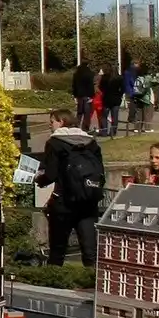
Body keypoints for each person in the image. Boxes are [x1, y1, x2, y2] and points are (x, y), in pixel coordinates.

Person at [37, 106, 104, 267]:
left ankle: (55, 284)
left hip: (63, 203)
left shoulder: (54, 143)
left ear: (61, 122)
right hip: (88, 202)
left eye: (52, 122)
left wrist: (39, 180)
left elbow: (51, 174)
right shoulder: (91, 142)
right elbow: (100, 172)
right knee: (90, 251)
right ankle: (91, 283)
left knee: (58, 250)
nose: (50, 126)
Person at [99, 64, 125, 139]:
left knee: (104, 116)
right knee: (115, 116)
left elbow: (101, 87)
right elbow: (123, 88)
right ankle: (113, 132)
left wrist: (105, 92)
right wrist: (119, 94)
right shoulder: (120, 78)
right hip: (116, 99)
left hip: (106, 98)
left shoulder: (105, 77)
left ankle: (104, 131)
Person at [71, 62, 97, 130]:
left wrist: (74, 95)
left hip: (79, 95)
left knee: (79, 112)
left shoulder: (76, 74)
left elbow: (74, 86)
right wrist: (92, 95)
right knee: (87, 113)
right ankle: (85, 127)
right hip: (87, 95)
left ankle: (76, 126)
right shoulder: (89, 74)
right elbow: (90, 86)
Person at [120, 60, 143, 133]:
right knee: (133, 104)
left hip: (128, 89)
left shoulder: (127, 70)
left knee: (131, 103)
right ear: (135, 64)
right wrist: (137, 86)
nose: (139, 66)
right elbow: (132, 80)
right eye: (138, 64)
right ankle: (131, 117)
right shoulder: (133, 70)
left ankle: (131, 117)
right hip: (132, 89)